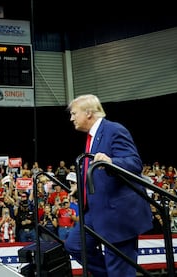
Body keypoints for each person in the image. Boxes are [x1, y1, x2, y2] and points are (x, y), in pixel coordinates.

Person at [65, 94, 153, 276]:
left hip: (118, 212)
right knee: (74, 244)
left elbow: (134, 163)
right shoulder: (92, 136)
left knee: (119, 266)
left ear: (88, 113)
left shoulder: (113, 130)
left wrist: (112, 161)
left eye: (74, 113)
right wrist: (79, 188)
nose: (71, 118)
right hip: (96, 209)